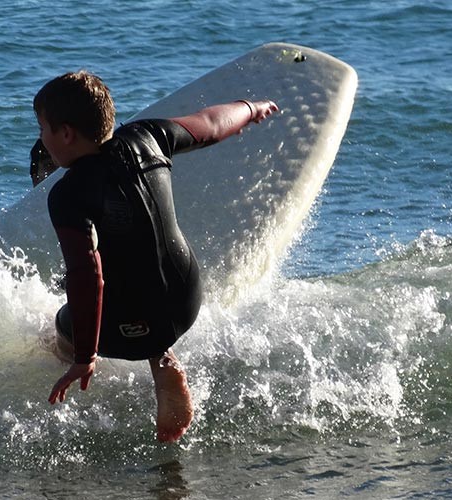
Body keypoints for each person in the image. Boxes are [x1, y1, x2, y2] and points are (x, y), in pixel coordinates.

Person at [33, 70, 277, 442]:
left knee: (62, 325)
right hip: (184, 301)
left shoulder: (67, 194)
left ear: (66, 134)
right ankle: (160, 355)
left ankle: (77, 350)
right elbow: (210, 124)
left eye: (43, 129)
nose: (41, 139)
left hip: (120, 332)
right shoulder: (148, 136)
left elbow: (87, 274)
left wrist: (85, 356)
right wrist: (250, 108)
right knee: (148, 249)